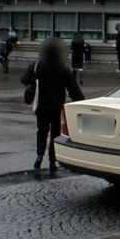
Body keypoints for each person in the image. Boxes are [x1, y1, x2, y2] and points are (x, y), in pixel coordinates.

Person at [21, 38, 84, 174]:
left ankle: (39, 157)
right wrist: (82, 103)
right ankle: (52, 161)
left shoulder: (37, 66)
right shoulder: (62, 69)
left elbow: (24, 79)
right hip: (56, 107)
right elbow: (74, 90)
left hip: (41, 107)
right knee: (55, 134)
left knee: (41, 132)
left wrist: (34, 81)